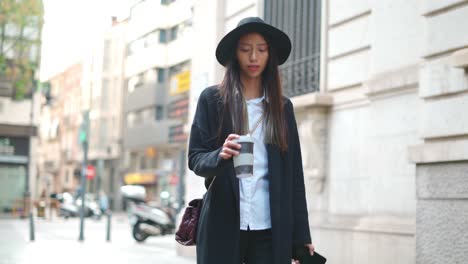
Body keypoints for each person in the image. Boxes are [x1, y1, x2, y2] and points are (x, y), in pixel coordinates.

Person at [188, 17, 315, 264]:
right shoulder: (212, 100)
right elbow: (195, 159)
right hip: (222, 226)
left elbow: (294, 177)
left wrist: (301, 236)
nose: (254, 57)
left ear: (270, 55)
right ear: (235, 54)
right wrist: (220, 155)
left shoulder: (282, 108)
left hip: (270, 229)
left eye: (261, 49)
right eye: (246, 49)